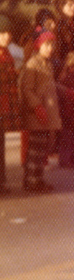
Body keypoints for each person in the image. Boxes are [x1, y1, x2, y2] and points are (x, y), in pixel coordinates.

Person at [18, 30, 61, 192]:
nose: (50, 48)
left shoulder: (47, 64)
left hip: (45, 115)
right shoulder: (32, 65)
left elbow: (52, 86)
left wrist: (68, 92)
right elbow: (27, 89)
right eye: (47, 45)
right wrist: (36, 106)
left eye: (52, 45)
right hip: (36, 115)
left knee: (41, 150)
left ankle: (38, 178)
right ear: (38, 46)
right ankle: (31, 180)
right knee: (35, 151)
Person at [0, 16, 19, 194]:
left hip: (4, 106)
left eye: (9, 33)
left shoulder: (6, 53)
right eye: (3, 33)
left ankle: (2, 181)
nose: (7, 36)